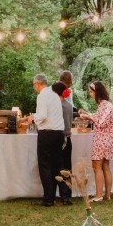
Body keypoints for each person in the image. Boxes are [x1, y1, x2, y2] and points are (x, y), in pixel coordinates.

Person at [79, 81, 113, 202]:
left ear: (97, 92)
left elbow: (100, 122)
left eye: (91, 91)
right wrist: (87, 114)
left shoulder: (105, 105)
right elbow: (99, 117)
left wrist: (88, 117)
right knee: (105, 166)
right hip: (106, 140)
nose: (90, 94)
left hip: (103, 139)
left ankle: (99, 195)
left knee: (97, 166)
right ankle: (107, 195)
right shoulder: (104, 105)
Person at [28, 73, 65, 206]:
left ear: (38, 83)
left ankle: (49, 199)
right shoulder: (55, 94)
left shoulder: (42, 96)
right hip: (59, 133)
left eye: (34, 85)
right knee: (58, 165)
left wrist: (33, 118)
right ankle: (64, 196)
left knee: (45, 166)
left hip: (47, 133)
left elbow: (42, 115)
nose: (34, 88)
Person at [54, 71, 75, 205]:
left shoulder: (57, 105)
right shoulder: (68, 105)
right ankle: (67, 195)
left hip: (59, 136)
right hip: (67, 137)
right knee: (67, 166)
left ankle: (60, 194)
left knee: (59, 165)